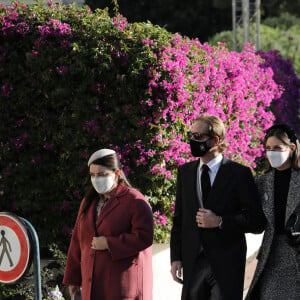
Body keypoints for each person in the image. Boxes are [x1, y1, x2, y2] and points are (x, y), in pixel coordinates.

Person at [170, 114, 265, 300]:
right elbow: (179, 218)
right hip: (193, 262)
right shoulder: (185, 172)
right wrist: (175, 257)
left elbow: (256, 221)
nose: (193, 140)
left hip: (227, 263)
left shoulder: (240, 174)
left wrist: (220, 221)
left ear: (216, 140)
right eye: (191, 135)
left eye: (199, 136)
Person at [63, 149, 154, 300]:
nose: (96, 179)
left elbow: (144, 237)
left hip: (121, 287)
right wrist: (73, 278)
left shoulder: (134, 200)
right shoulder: (89, 202)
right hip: (93, 286)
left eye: (102, 174)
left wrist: (109, 243)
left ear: (116, 173)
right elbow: (78, 241)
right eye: (92, 175)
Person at [246, 124, 300, 300]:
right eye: (268, 148)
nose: (272, 152)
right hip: (272, 254)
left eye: (277, 147)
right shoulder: (261, 182)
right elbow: (254, 220)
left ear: (291, 149)